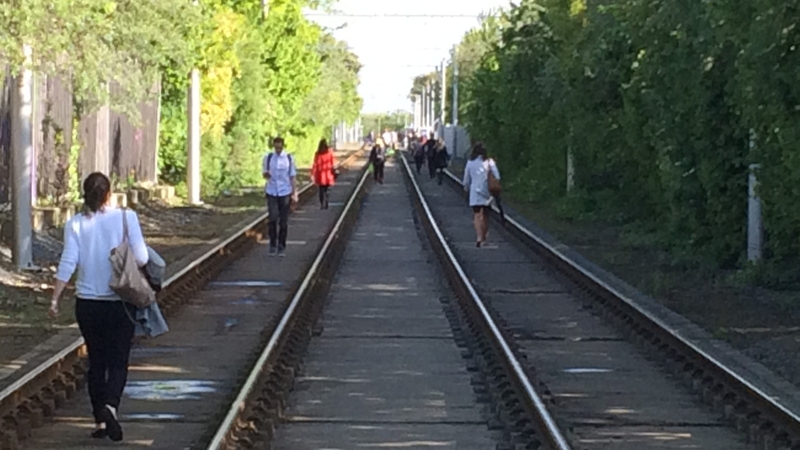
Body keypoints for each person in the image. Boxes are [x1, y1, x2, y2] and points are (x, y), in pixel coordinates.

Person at [49, 172, 149, 442]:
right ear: (109, 193)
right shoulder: (127, 218)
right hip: (120, 302)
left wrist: (56, 298)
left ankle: (100, 422)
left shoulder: (75, 224)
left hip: (87, 305)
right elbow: (142, 257)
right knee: (118, 361)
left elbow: (68, 262)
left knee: (97, 361)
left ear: (85, 194)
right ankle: (110, 407)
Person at [263, 136, 298, 257]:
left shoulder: (289, 158)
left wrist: (294, 193)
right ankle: (273, 244)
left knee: (283, 221)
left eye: (279, 147)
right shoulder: (268, 158)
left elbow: (292, 176)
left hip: (285, 192)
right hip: (271, 191)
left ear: (283, 146)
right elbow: (264, 174)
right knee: (272, 218)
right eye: (276, 147)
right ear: (273, 146)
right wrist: (266, 175)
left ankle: (281, 246)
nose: (278, 149)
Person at [462, 142, 501, 247]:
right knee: (485, 215)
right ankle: (484, 237)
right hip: (487, 192)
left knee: (477, 214)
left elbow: (466, 178)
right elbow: (497, 176)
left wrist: (466, 187)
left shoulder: (470, 163)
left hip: (475, 192)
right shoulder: (489, 162)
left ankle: (479, 237)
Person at [311, 138, 336, 209]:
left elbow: (315, 164)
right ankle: (327, 202)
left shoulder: (317, 154)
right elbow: (332, 163)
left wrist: (312, 173)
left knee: (321, 190)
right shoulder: (329, 152)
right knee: (327, 190)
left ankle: (322, 204)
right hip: (328, 174)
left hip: (320, 175)